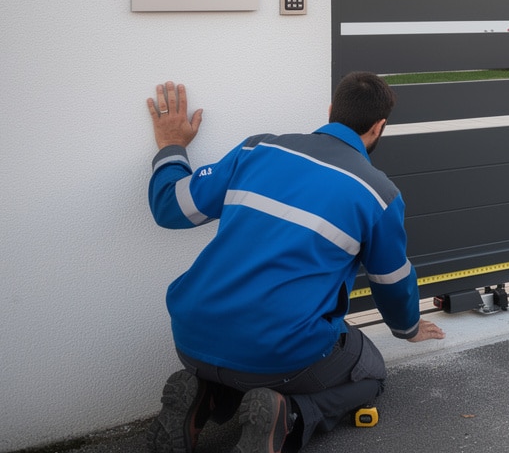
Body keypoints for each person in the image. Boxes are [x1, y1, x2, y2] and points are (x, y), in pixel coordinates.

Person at [143, 73, 445, 453]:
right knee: (370, 373)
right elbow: (391, 281)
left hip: (190, 337)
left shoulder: (257, 150)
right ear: (379, 127)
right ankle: (290, 415)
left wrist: (171, 146)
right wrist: (409, 328)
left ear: (332, 111)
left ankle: (205, 398)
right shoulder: (378, 193)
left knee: (252, 350)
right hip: (277, 356)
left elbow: (170, 207)